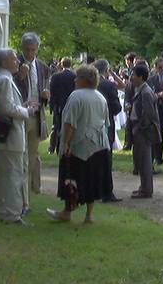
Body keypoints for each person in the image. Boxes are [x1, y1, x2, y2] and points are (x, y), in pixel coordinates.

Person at [47, 64, 110, 223]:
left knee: (72, 178)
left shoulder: (76, 96)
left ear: (83, 80)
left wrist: (66, 144)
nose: (74, 80)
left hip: (80, 145)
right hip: (100, 144)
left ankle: (67, 212)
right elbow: (106, 122)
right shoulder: (100, 97)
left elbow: (69, 124)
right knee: (92, 179)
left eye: (77, 77)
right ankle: (89, 215)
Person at [0, 48, 35, 224]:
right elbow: (6, 108)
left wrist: (20, 106)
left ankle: (4, 210)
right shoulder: (4, 80)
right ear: (5, 62)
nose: (18, 62)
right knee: (13, 175)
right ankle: (12, 213)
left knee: (6, 174)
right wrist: (27, 111)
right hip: (10, 134)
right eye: (14, 59)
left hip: (3, 134)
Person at [18, 32, 50, 200]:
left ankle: (35, 188)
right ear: (22, 48)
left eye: (33, 50)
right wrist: (20, 76)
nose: (30, 54)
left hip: (37, 114)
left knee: (34, 152)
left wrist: (46, 95)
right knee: (22, 153)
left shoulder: (43, 67)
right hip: (22, 113)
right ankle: (22, 189)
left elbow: (45, 87)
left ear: (37, 49)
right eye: (27, 50)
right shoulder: (15, 64)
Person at [92, 59, 123, 202]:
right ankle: (107, 192)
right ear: (106, 70)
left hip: (90, 125)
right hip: (105, 124)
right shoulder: (109, 85)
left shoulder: (87, 84)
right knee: (106, 159)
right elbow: (117, 108)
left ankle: (93, 190)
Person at [129, 64, 159, 199]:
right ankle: (144, 187)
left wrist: (140, 128)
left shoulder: (145, 92)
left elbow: (148, 114)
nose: (131, 77)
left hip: (143, 131)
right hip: (140, 130)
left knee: (145, 160)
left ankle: (146, 190)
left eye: (133, 75)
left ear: (141, 77)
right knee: (141, 160)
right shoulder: (141, 89)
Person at [48, 57, 76, 155]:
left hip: (58, 104)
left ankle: (54, 147)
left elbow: (52, 92)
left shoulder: (56, 76)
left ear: (61, 64)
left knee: (56, 126)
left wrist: (51, 105)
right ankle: (66, 146)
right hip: (70, 104)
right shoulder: (74, 76)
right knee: (69, 126)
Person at [121, 52, 138, 150]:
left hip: (132, 98)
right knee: (128, 123)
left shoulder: (133, 71)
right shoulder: (127, 70)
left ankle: (129, 143)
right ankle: (128, 143)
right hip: (128, 97)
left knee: (131, 122)